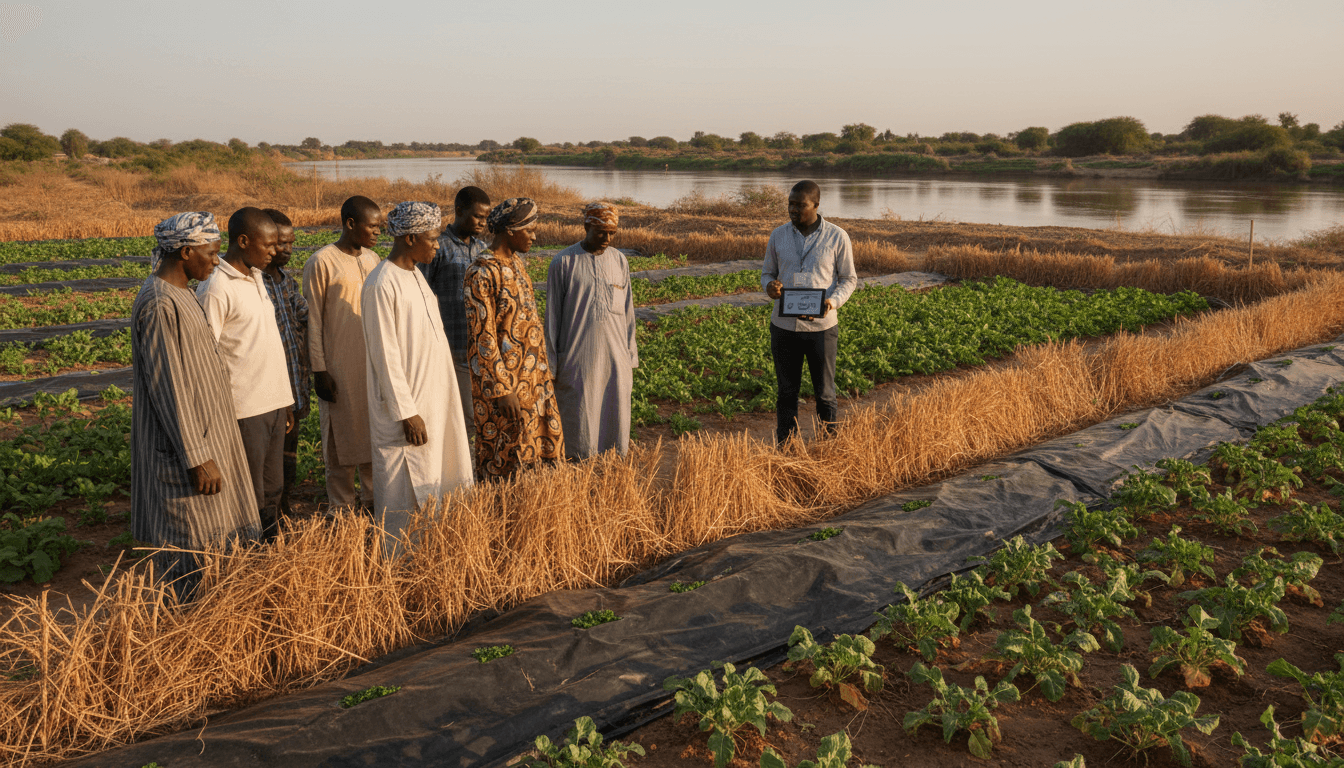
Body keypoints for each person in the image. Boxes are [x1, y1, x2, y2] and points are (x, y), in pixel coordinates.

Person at [131, 212, 259, 598]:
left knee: (217, 543)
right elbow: (168, 386)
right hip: (184, 451)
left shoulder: (182, 293)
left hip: (207, 438)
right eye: (212, 252)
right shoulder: (158, 304)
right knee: (190, 547)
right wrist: (197, 455)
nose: (217, 260)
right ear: (186, 252)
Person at [361, 202, 474, 553]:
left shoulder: (416, 277)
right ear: (410, 238)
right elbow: (385, 355)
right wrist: (406, 412)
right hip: (406, 410)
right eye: (432, 238)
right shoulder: (382, 283)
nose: (438, 245)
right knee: (403, 492)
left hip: (436, 399)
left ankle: (435, 551)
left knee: (441, 477)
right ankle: (399, 564)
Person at [196, 207, 295, 539]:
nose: (274, 252)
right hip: (244, 409)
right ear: (243, 241)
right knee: (249, 492)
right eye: (267, 245)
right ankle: (248, 556)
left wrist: (284, 401)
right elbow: (204, 356)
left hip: (272, 404)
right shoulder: (216, 287)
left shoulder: (256, 277)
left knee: (273, 487)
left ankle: (269, 548)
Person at [464, 197, 565, 480]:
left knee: (537, 451)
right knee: (506, 455)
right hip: (506, 387)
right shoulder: (482, 272)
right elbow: (482, 339)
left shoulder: (517, 263)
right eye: (529, 230)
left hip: (534, 381)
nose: (535, 235)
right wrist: (501, 389)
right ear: (509, 230)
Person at [761, 180, 857, 444]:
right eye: (790, 204)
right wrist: (769, 286)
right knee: (786, 393)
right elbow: (767, 272)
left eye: (799, 205)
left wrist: (832, 302)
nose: (793, 210)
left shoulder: (838, 236)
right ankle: (786, 447)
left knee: (825, 393)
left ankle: (828, 446)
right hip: (783, 326)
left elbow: (849, 279)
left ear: (815, 204)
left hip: (821, 329)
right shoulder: (778, 235)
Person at [304, 196, 383, 511]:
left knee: (373, 438)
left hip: (371, 368)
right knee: (339, 444)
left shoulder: (374, 259)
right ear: (351, 224)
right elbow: (313, 320)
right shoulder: (322, 262)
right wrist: (319, 370)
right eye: (373, 226)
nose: (378, 232)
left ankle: (375, 504)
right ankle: (342, 510)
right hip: (337, 369)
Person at [544, 202, 638, 459]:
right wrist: (552, 366)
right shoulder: (563, 263)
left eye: (612, 233)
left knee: (615, 418)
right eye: (601, 232)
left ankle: (612, 471)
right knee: (580, 420)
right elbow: (552, 318)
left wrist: (630, 358)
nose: (607, 238)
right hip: (577, 362)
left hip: (616, 360)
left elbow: (628, 313)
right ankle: (579, 472)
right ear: (586, 226)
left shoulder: (619, 260)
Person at [418, 186, 490, 437]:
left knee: (484, 418)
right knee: (465, 421)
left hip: (482, 349)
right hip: (452, 348)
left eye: (485, 217)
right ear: (459, 211)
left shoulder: (483, 249)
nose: (483, 222)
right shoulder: (439, 247)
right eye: (477, 216)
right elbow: (421, 295)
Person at [259, 208, 310, 519]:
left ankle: (284, 507)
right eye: (281, 243)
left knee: (287, 458)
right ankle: (268, 517)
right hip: (267, 394)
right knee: (268, 463)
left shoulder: (287, 283)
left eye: (292, 243)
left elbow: (305, 319)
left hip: (294, 387)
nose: (288, 250)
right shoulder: (255, 283)